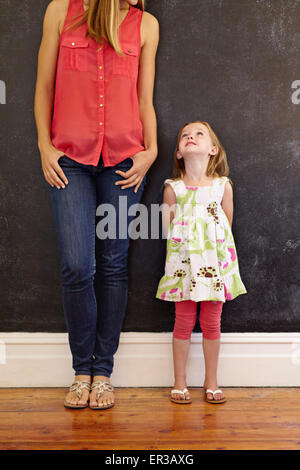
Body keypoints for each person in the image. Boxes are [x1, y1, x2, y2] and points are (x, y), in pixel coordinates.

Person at [34, 0, 159, 409]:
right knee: (77, 265)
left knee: (113, 264)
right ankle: (80, 370)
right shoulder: (60, 11)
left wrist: (151, 150)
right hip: (69, 160)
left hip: (124, 163)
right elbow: (44, 87)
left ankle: (102, 372)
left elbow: (144, 97)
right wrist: (43, 146)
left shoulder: (146, 25)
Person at [156, 121, 247, 404]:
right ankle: (179, 382)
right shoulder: (173, 189)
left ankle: (211, 381)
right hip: (184, 268)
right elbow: (166, 231)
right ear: (179, 152)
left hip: (214, 267)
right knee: (183, 321)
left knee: (212, 322)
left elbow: (226, 227)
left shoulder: (222, 187)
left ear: (212, 149)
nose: (191, 137)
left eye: (198, 134)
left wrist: (211, 256)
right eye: (185, 135)